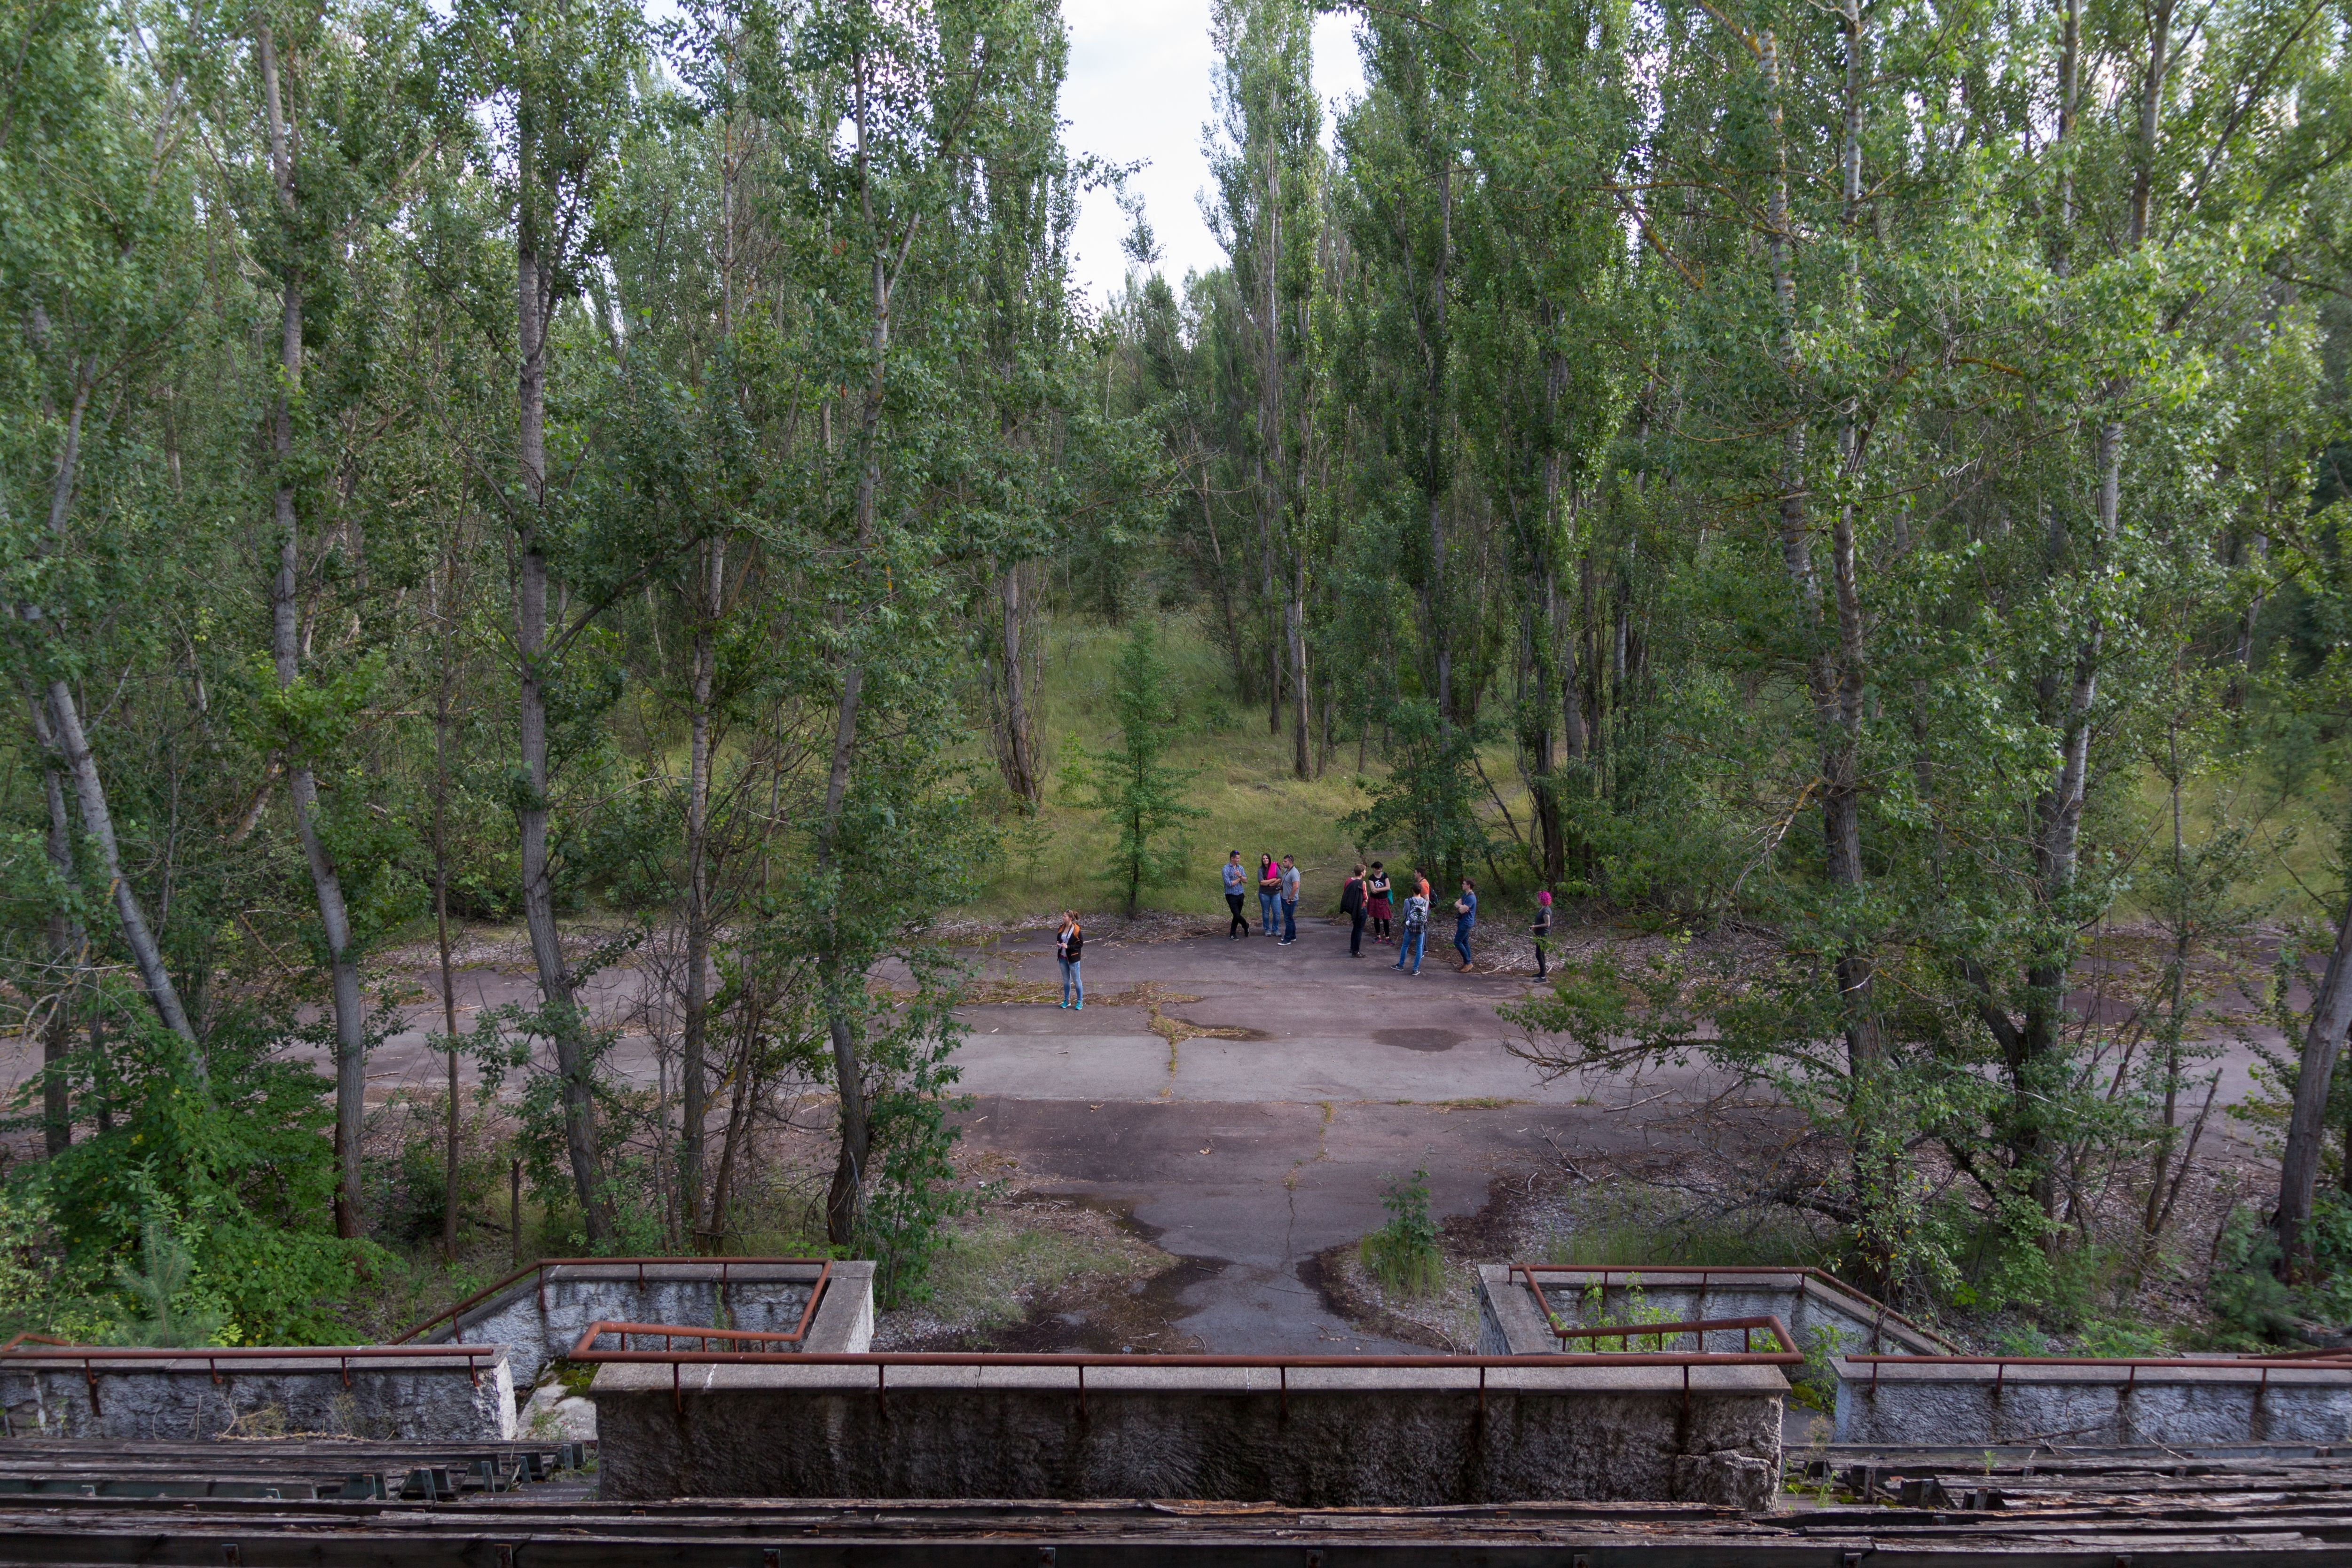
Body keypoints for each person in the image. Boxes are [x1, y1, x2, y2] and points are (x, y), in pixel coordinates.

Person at [1394, 879, 1429, 976]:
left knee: (1405, 946)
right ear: (1421, 891)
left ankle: (1401, 965)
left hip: (1410, 926)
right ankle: (1415, 969)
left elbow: (1405, 913)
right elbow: (1425, 914)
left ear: (1413, 890)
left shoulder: (1408, 901)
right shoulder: (1425, 902)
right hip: (1421, 928)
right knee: (1419, 948)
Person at [1056, 911, 1084, 1009]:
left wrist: (1068, 947)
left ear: (1070, 918)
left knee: (1077, 980)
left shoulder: (1076, 929)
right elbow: (1059, 939)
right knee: (1066, 980)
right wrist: (1059, 944)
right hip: (1063, 958)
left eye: (1065, 916)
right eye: (1063, 916)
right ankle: (1067, 1000)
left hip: (1073, 959)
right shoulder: (1061, 928)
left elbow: (1080, 944)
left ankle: (1080, 1001)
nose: (1063, 918)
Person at [1341, 863, 1367, 957]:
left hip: (1352, 909)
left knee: (1355, 928)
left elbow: (1346, 891)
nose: (1366, 872)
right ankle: (1356, 951)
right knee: (1359, 930)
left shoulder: (1348, 881)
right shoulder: (1362, 883)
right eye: (1365, 871)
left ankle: (1352, 947)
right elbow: (1365, 897)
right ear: (1361, 873)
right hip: (1361, 908)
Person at [1223, 850, 1250, 939]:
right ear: (1232, 858)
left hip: (1240, 894)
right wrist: (1239, 878)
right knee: (1237, 914)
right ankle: (1246, 925)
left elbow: (1246, 880)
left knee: (1236, 915)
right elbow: (1229, 883)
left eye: (1239, 858)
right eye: (1237, 858)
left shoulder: (1241, 868)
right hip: (1231, 895)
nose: (1239, 860)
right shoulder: (1226, 869)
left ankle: (1232, 933)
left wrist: (1240, 876)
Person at [1453, 877, 1478, 971]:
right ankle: (1467, 963)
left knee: (1457, 942)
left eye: (1464, 884)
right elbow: (1457, 904)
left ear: (1468, 886)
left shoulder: (1471, 897)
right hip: (1463, 922)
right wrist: (1462, 906)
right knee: (1465, 942)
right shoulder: (1466, 895)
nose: (1462, 885)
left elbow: (1462, 911)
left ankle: (1468, 963)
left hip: (1466, 923)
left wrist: (1462, 907)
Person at [1366, 863, 1392, 942]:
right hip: (1375, 899)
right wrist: (1380, 889)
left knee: (1386, 918)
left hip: (1384, 899)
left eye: (1381, 869)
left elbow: (1388, 887)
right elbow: (1373, 890)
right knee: (1376, 918)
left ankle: (1387, 937)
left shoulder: (1385, 875)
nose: (1380, 870)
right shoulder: (1371, 878)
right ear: (1374, 869)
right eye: (1378, 869)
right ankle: (1378, 936)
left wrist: (1378, 890)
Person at [1278, 855, 1301, 945]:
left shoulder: (1294, 872)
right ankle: (1293, 936)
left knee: (1288, 919)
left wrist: (1290, 898)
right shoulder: (1287, 871)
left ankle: (1287, 939)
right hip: (1285, 898)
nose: (1283, 863)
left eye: (1285, 862)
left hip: (1290, 900)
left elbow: (1296, 886)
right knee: (1290, 918)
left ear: (1290, 862)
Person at [1257, 854, 1281, 937]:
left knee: (1277, 913)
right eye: (1264, 859)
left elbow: (1280, 879)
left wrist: (1270, 884)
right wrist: (1273, 879)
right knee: (1266, 912)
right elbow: (1262, 882)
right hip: (1264, 894)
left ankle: (1276, 929)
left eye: (1267, 858)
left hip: (1275, 893)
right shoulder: (1260, 870)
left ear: (1269, 859)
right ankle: (1267, 929)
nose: (1265, 860)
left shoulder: (1275, 867)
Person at [1531, 888, 1553, 979]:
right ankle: (1542, 972)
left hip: (1543, 936)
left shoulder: (1546, 911)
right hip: (1539, 935)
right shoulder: (1543, 909)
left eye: (1539, 897)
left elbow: (1547, 924)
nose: (1538, 899)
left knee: (1539, 954)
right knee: (1541, 954)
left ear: (1543, 899)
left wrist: (1535, 927)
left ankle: (1543, 976)